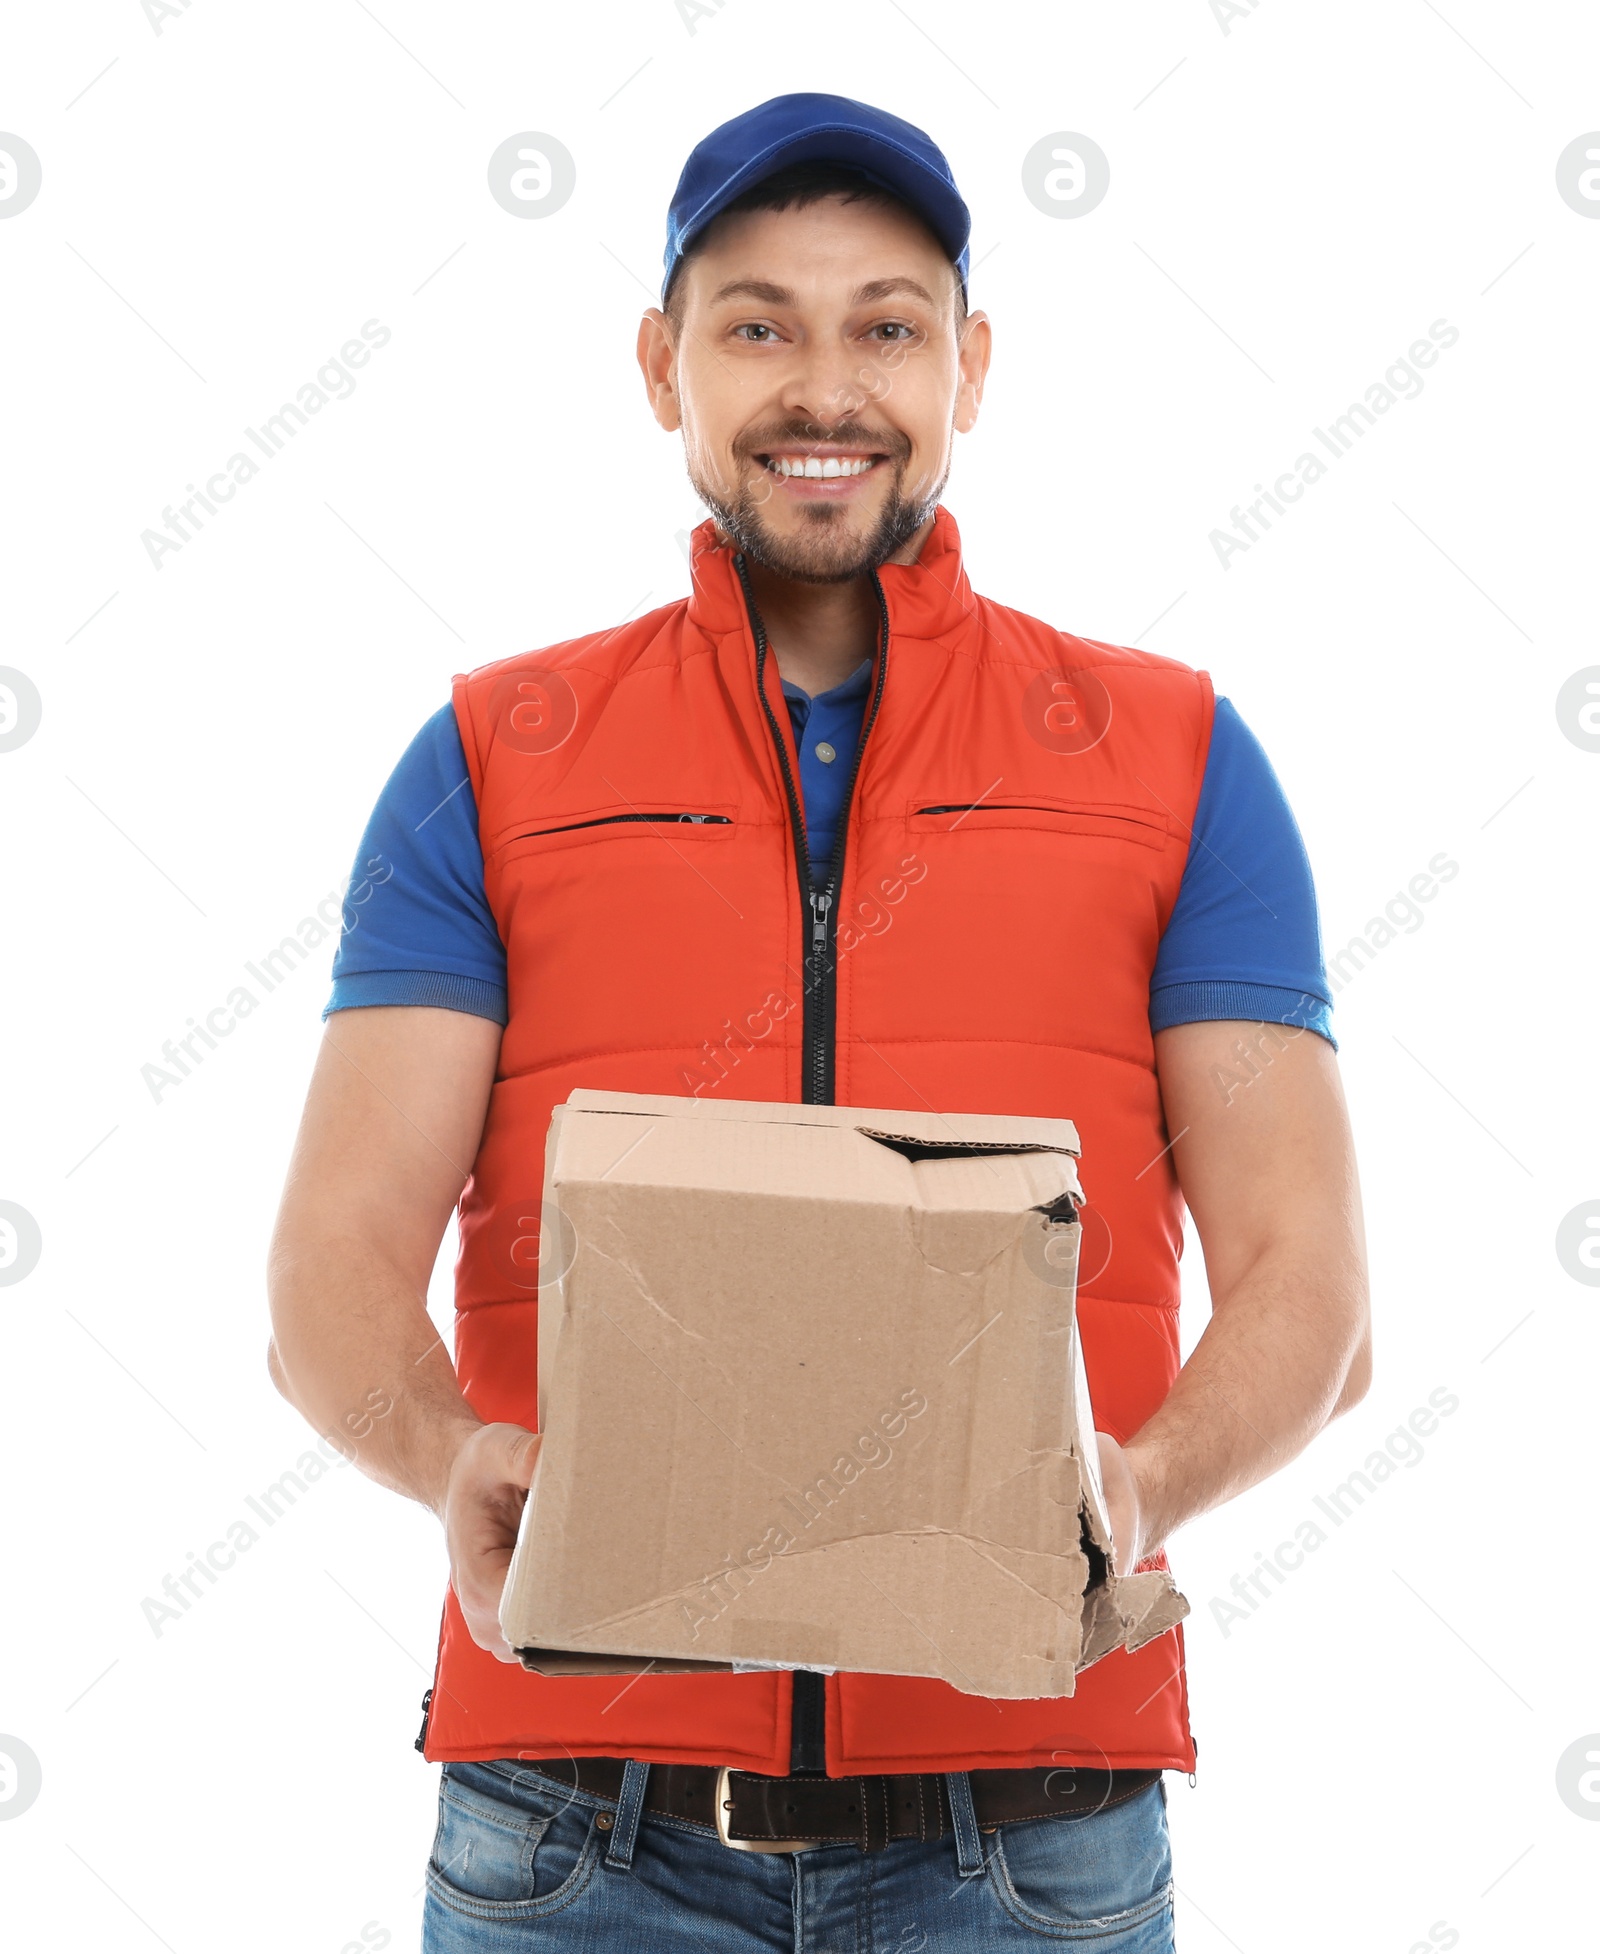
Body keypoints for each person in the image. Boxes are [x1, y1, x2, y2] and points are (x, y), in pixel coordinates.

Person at [267, 93, 1370, 1953]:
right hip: (576, 1838)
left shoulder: (1178, 758)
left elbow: (1311, 1284)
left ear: (970, 363)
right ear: (661, 363)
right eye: (758, 322)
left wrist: (1148, 1478)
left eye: (886, 324)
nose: (825, 386)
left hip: (1029, 1834)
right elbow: (331, 1261)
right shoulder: (490, 761)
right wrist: (447, 1450)